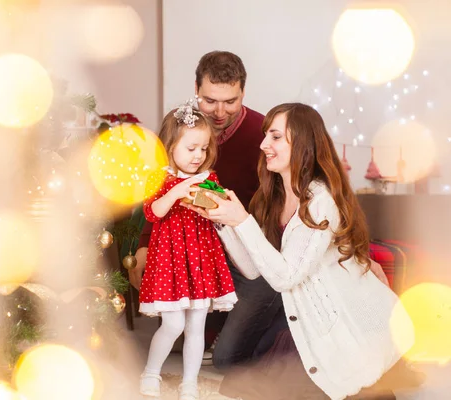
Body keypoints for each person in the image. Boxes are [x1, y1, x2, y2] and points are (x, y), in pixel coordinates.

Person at [185, 103, 416, 399]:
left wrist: (241, 220)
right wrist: (224, 222)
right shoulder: (273, 196)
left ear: (303, 143)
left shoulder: (321, 200)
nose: (263, 144)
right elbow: (255, 269)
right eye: (266, 135)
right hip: (300, 310)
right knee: (242, 379)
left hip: (331, 316)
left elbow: (285, 277)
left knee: (300, 387)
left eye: (276, 137)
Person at [131, 51, 284, 369]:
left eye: (231, 101)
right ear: (196, 90)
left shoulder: (262, 134)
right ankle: (197, 327)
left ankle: (256, 324)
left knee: (228, 357)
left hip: (247, 250)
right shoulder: (180, 126)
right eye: (210, 100)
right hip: (189, 242)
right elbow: (162, 185)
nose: (219, 111)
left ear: (243, 92)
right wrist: (146, 244)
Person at [138, 101, 238, 400]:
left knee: (197, 324)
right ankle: (151, 372)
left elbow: (218, 210)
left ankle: (190, 383)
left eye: (204, 149)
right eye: (192, 148)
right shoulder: (161, 177)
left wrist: (216, 199)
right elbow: (152, 212)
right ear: (171, 146)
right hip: (170, 262)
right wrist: (177, 191)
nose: (199, 156)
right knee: (173, 322)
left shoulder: (209, 178)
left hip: (200, 261)